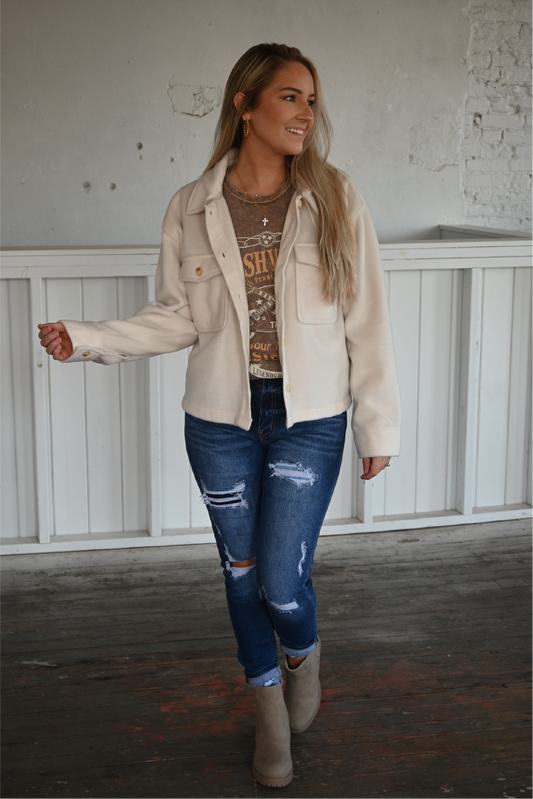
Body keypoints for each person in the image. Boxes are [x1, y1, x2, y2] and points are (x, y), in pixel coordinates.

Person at [38, 42, 401, 788]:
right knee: (239, 576)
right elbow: (176, 317)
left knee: (280, 585)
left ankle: (301, 652)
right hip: (217, 420)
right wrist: (91, 339)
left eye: (310, 99)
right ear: (244, 104)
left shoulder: (334, 195)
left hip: (310, 417)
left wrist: (378, 423)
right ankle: (269, 717)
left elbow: (367, 319)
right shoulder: (191, 206)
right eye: (289, 98)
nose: (306, 113)